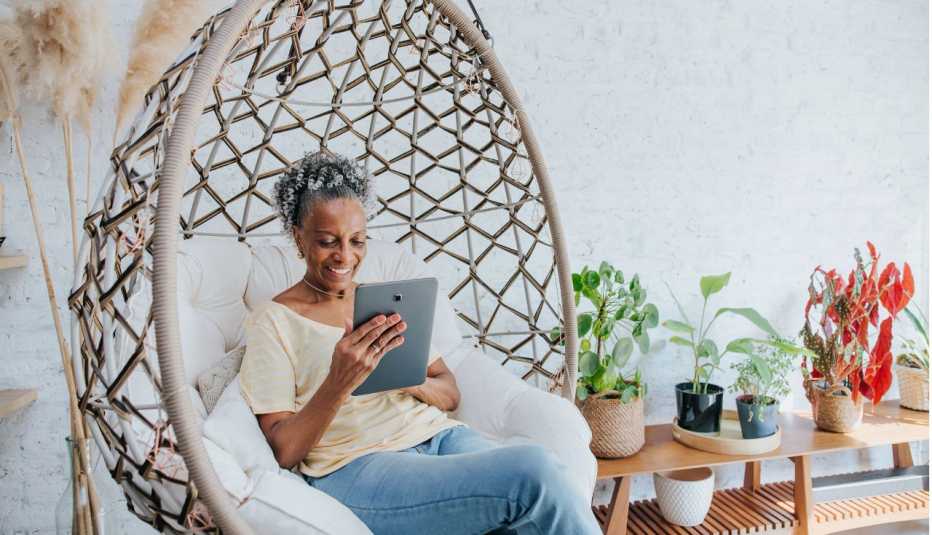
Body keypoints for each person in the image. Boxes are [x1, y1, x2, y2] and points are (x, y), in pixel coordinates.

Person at [239, 151, 601, 535]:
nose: (345, 256)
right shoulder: (272, 320)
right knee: (535, 473)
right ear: (298, 236)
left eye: (358, 241)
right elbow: (283, 450)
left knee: (537, 500)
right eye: (329, 241)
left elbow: (449, 392)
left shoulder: (379, 301)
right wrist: (339, 382)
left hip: (442, 438)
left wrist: (404, 378)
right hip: (358, 465)